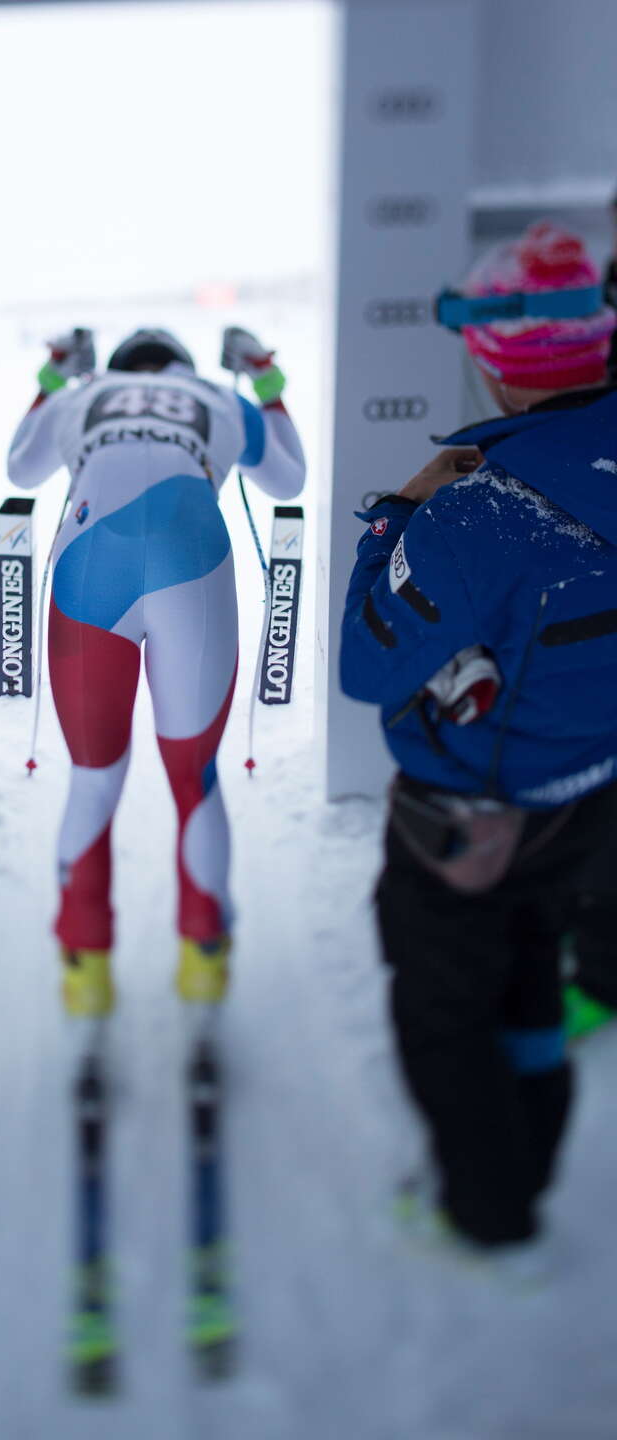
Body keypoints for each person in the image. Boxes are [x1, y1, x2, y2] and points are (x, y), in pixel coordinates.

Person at [340, 221, 617, 1264]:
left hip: (470, 819)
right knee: (534, 969)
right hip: (591, 796)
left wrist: (394, 522)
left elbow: (368, 667)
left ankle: (489, 1212)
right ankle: (526, 1170)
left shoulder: (476, 512)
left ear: (492, 363)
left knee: (446, 1011)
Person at [8, 326, 305, 1015]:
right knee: (195, 778)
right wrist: (264, 377)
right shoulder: (213, 396)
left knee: (92, 780)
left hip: (89, 563)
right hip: (192, 554)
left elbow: (20, 470)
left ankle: (85, 967)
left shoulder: (87, 392)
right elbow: (290, 478)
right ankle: (202, 955)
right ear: (184, 366)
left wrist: (52, 376)